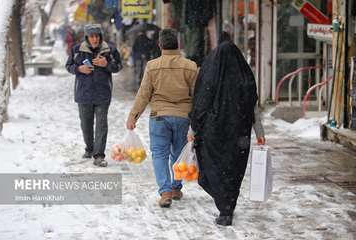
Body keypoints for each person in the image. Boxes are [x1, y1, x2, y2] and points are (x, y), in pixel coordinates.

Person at [188, 41, 258, 226]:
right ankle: (228, 206)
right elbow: (253, 105)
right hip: (239, 133)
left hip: (214, 131)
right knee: (233, 169)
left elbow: (201, 101)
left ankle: (223, 207)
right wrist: (259, 131)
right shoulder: (244, 76)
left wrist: (194, 127)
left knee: (215, 168)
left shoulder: (211, 73)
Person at [126, 29, 198, 208]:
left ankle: (165, 191)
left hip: (159, 117)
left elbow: (143, 94)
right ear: (178, 45)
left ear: (160, 46)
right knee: (178, 152)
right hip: (183, 116)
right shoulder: (190, 66)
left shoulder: (152, 66)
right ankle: (175, 187)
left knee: (159, 154)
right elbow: (198, 96)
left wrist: (133, 116)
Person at [65, 24, 122, 167]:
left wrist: (106, 64)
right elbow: (68, 66)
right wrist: (79, 68)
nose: (95, 39)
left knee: (101, 125)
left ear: (101, 36)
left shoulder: (110, 50)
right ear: (87, 37)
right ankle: (89, 148)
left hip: (103, 94)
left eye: (97, 36)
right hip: (83, 94)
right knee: (86, 124)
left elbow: (119, 66)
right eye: (92, 36)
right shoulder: (77, 50)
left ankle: (99, 155)